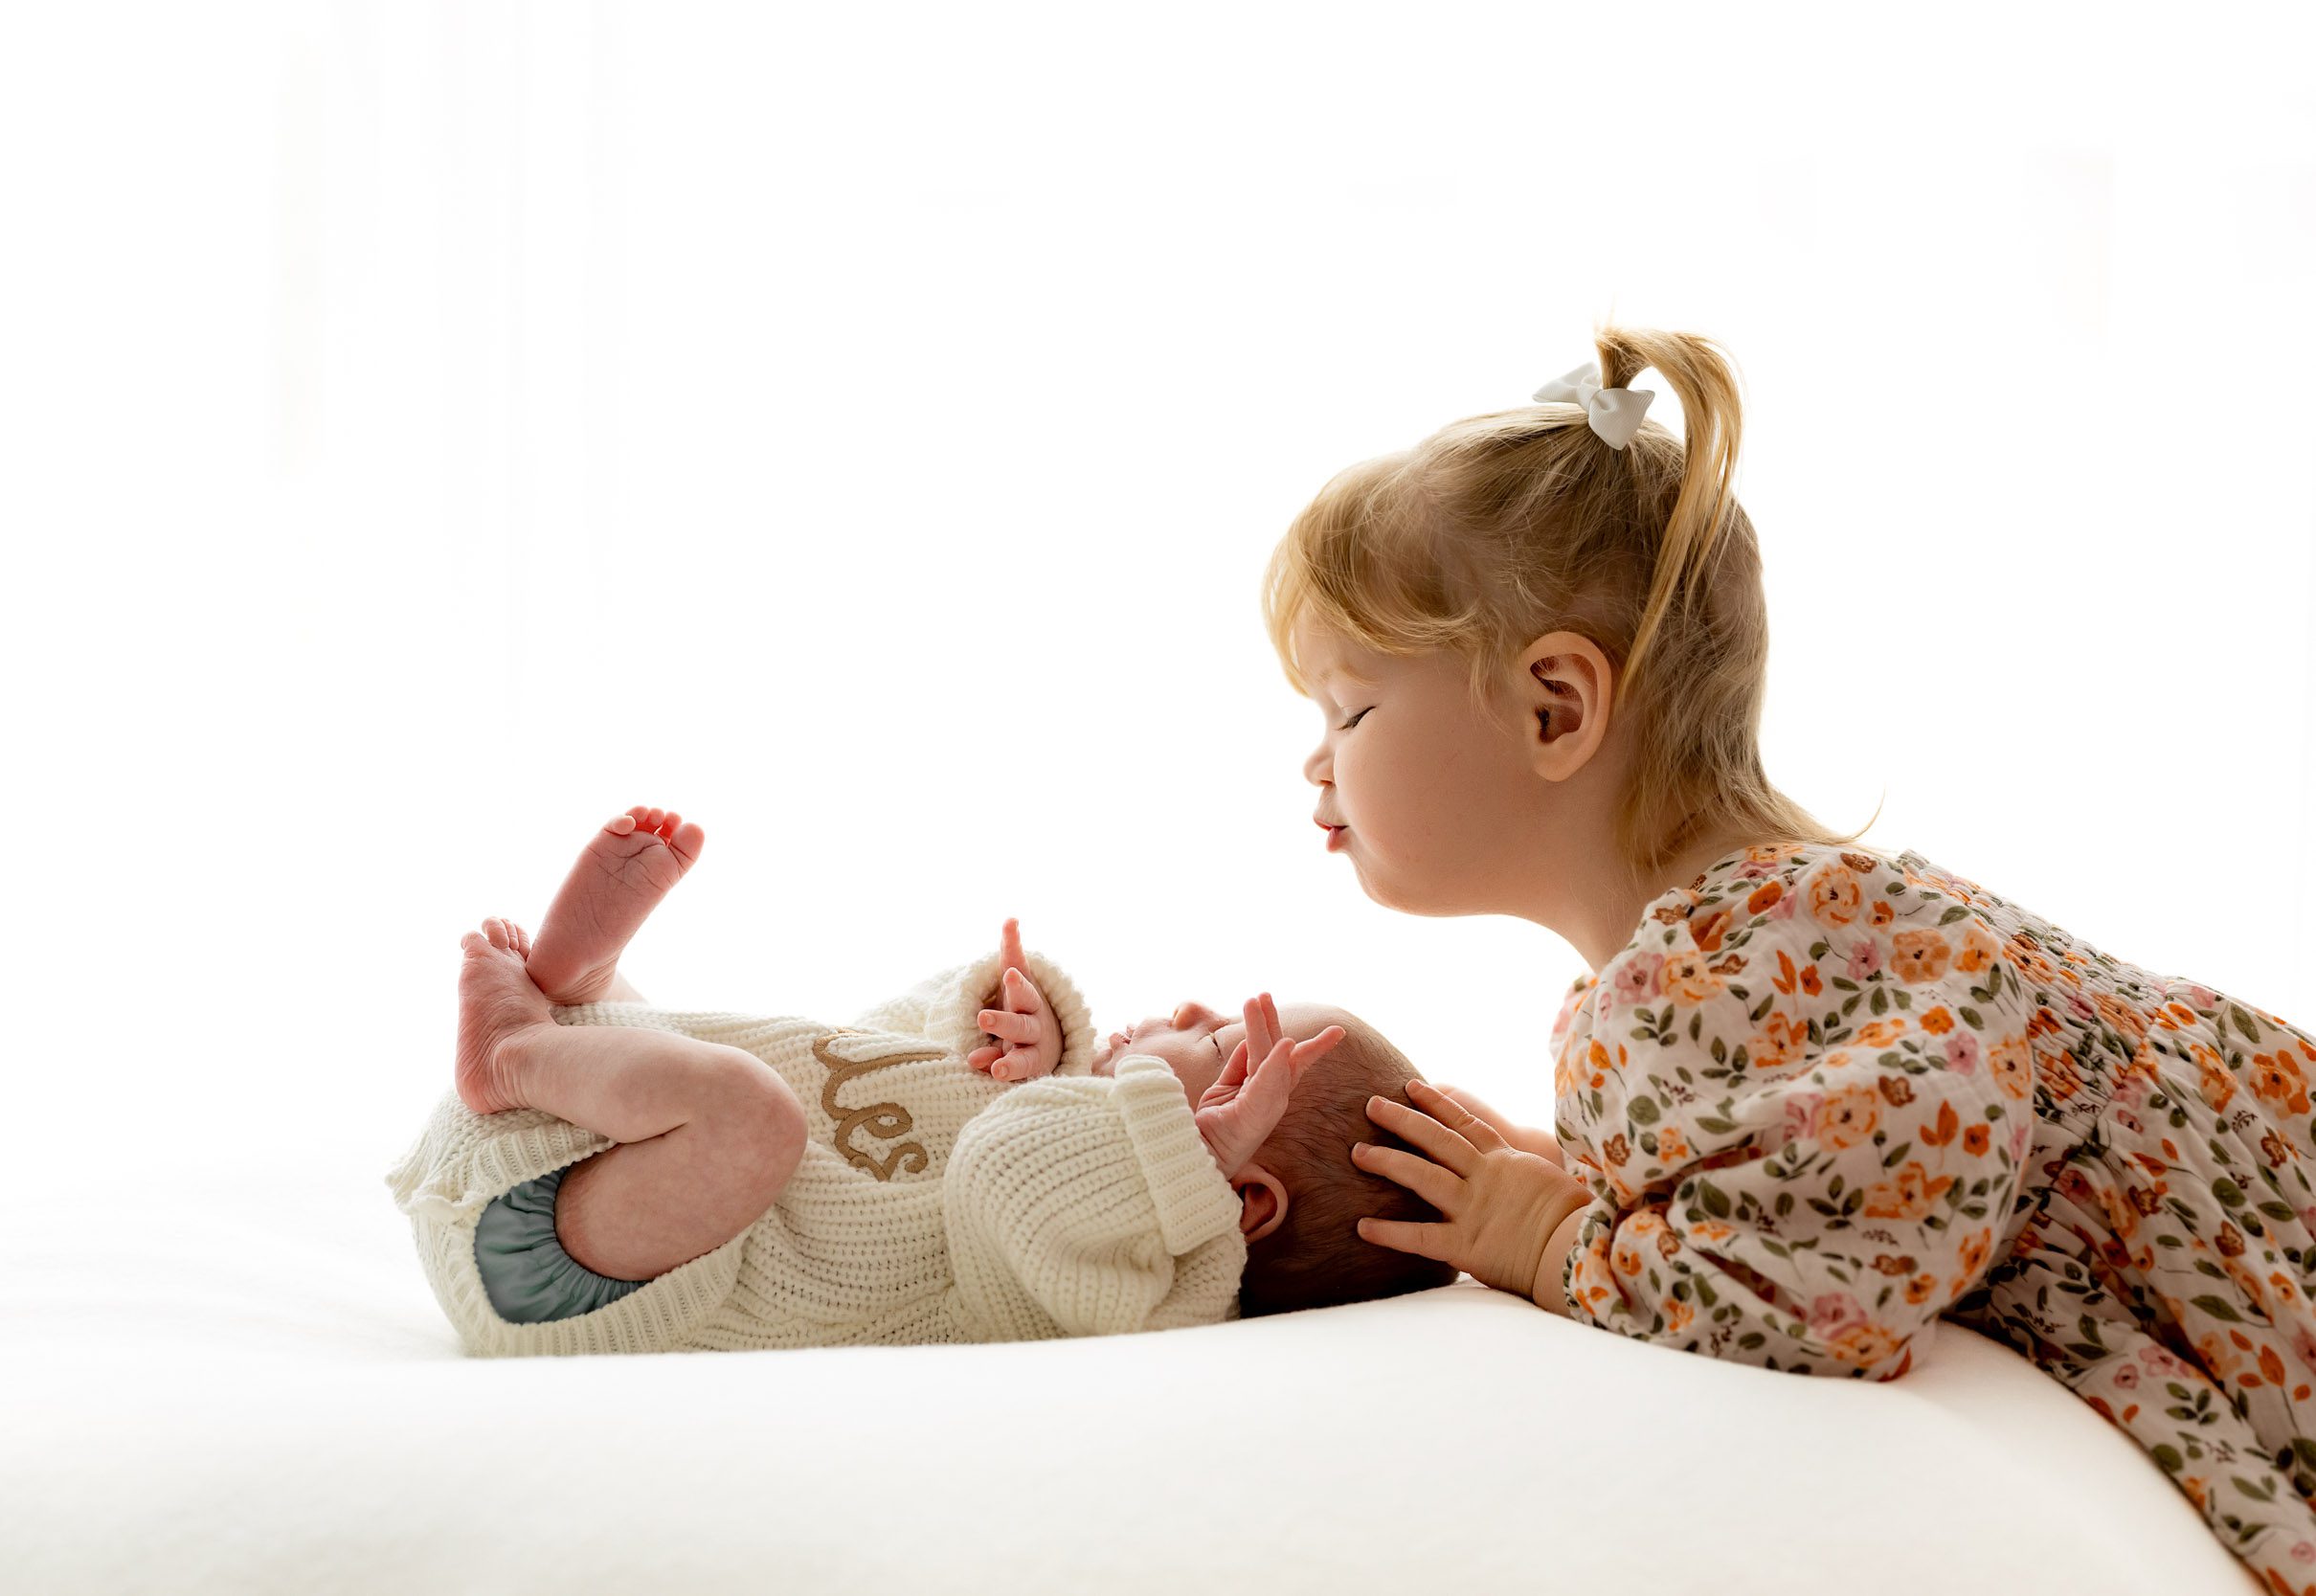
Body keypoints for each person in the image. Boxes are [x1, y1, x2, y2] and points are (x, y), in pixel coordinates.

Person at [1263, 324, 2316, 1590]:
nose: (1316, 761)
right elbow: (1834, 1166)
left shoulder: (1720, 975)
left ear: (1556, 706)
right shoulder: (1769, 937)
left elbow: (1826, 1289)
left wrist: (1548, 1237)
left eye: (1352, 709)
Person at [383, 806, 1454, 1358]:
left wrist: (1180, 1162)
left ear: (1244, 1196)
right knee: (746, 1073)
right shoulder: (1073, 1111)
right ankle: (586, 997)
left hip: (574, 1273)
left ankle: (516, 1050)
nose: (1182, 1010)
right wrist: (996, 1020)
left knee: (745, 1113)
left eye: (1215, 1043)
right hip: (593, 1159)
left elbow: (1006, 1172)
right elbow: (870, 1041)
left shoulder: (1140, 1278)